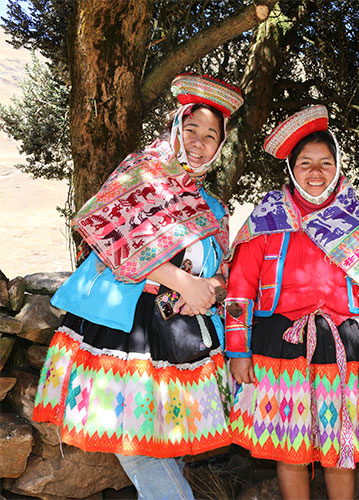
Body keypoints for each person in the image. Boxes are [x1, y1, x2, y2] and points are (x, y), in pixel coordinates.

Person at [33, 73, 244, 500]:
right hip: (126, 326)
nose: (199, 142)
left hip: (184, 333)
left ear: (220, 146)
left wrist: (213, 289)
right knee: (137, 446)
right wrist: (181, 280)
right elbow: (111, 240)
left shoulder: (213, 206)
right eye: (191, 130)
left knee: (171, 441)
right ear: (174, 129)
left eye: (210, 136)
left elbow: (222, 269)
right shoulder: (140, 174)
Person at [224, 105, 359, 500]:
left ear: (337, 167)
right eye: (305, 163)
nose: (315, 172)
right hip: (279, 345)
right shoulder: (268, 216)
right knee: (290, 448)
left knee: (341, 448)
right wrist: (238, 349)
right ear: (291, 167)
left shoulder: (356, 220)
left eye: (325, 162)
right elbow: (240, 287)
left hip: (345, 347)